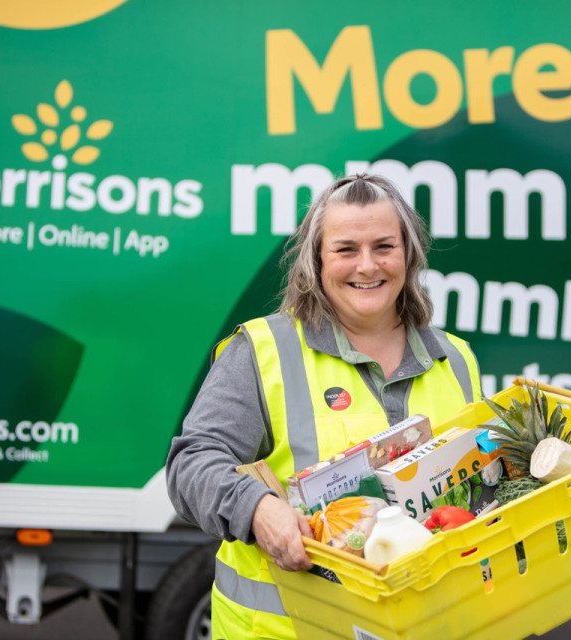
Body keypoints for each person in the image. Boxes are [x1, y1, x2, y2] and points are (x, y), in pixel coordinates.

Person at [166, 173, 482, 640]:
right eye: (346, 249)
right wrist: (257, 509)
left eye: (384, 247)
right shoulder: (264, 350)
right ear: (317, 261)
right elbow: (191, 464)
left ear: (409, 255)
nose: (367, 266)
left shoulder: (455, 358)